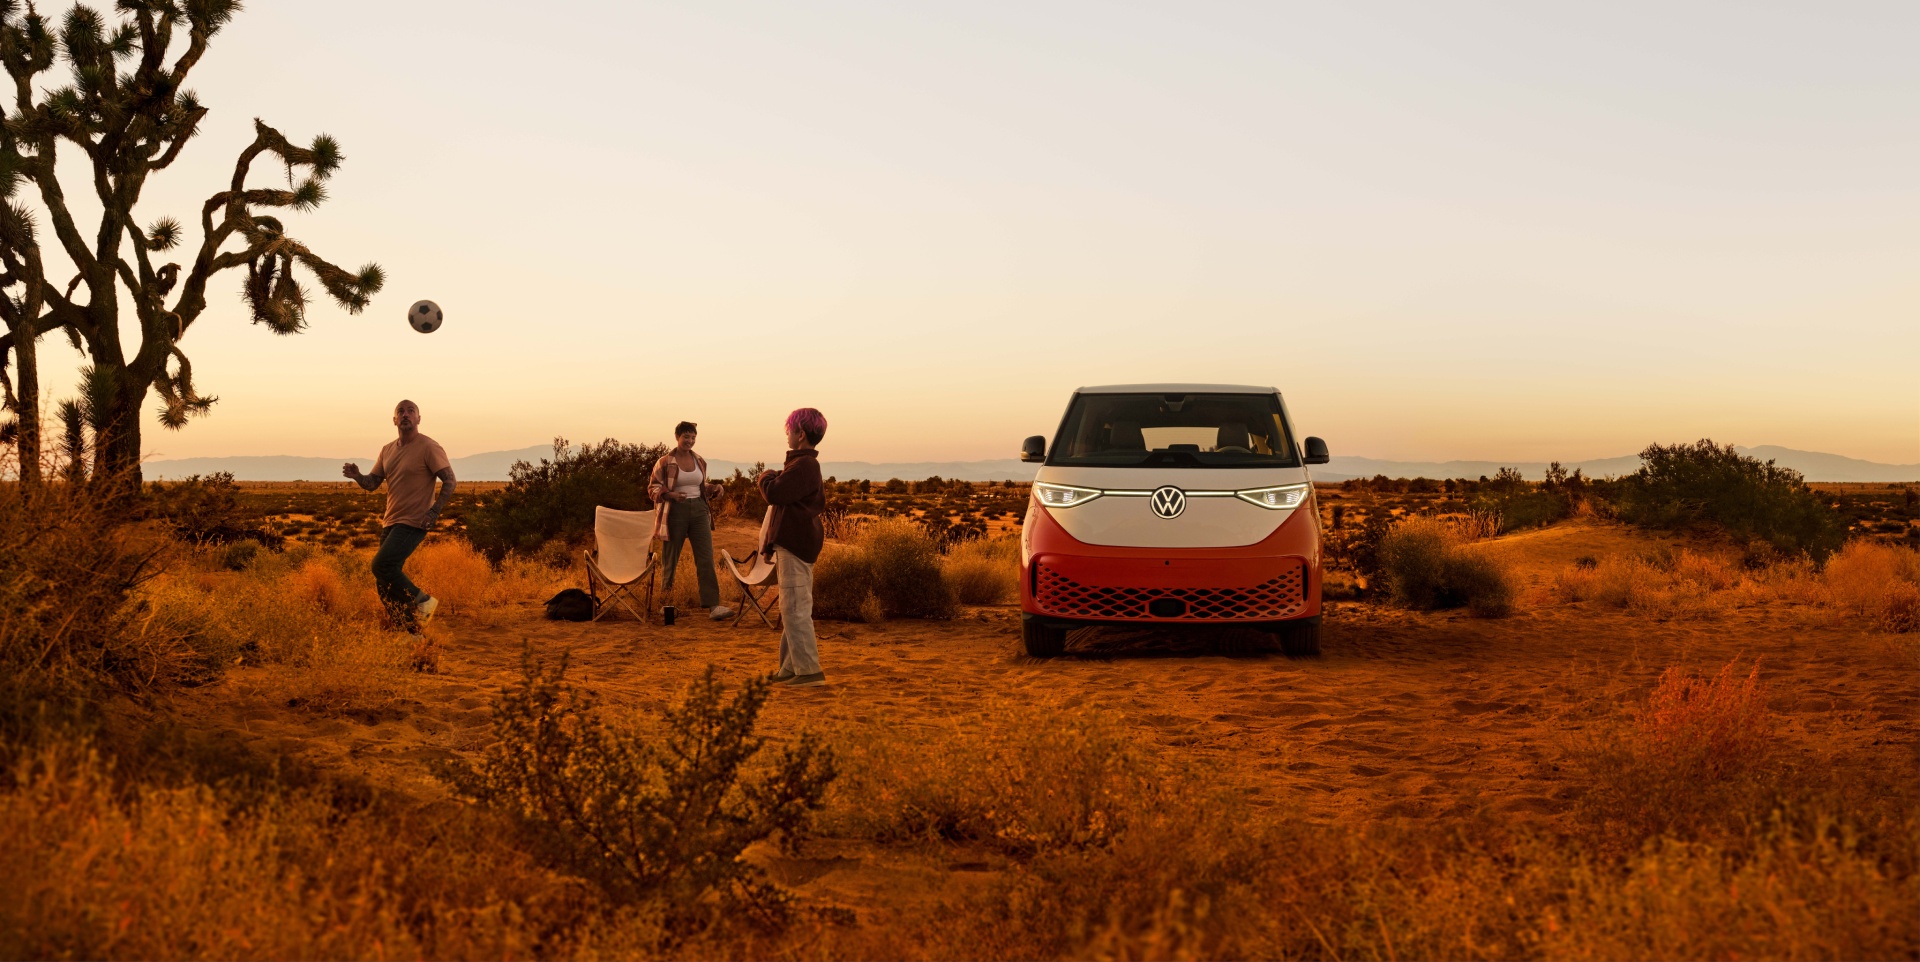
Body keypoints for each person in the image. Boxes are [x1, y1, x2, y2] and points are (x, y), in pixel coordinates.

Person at [342, 399, 456, 632]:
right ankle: (411, 634)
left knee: (381, 565)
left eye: (410, 411)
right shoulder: (387, 450)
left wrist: (434, 511)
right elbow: (373, 483)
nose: (406, 415)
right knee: (384, 585)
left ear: (418, 418)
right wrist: (357, 476)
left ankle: (423, 601)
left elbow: (450, 481)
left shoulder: (429, 447)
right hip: (390, 521)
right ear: (394, 420)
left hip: (415, 520)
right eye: (400, 412)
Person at [758, 408, 828, 687]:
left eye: (789, 429)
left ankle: (809, 671)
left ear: (800, 434)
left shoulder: (804, 466)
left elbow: (774, 493)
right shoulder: (802, 465)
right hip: (799, 543)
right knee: (793, 607)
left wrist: (765, 477)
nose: (786, 433)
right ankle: (790, 668)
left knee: (795, 609)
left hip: (796, 543)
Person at [648, 421, 732, 620]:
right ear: (677, 437)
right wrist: (670, 495)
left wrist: (714, 489)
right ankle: (666, 604)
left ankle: (713, 606)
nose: (690, 441)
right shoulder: (665, 462)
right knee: (670, 559)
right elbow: (653, 488)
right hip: (675, 511)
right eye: (686, 436)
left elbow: (700, 486)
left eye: (693, 437)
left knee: (705, 557)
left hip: (700, 510)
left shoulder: (699, 460)